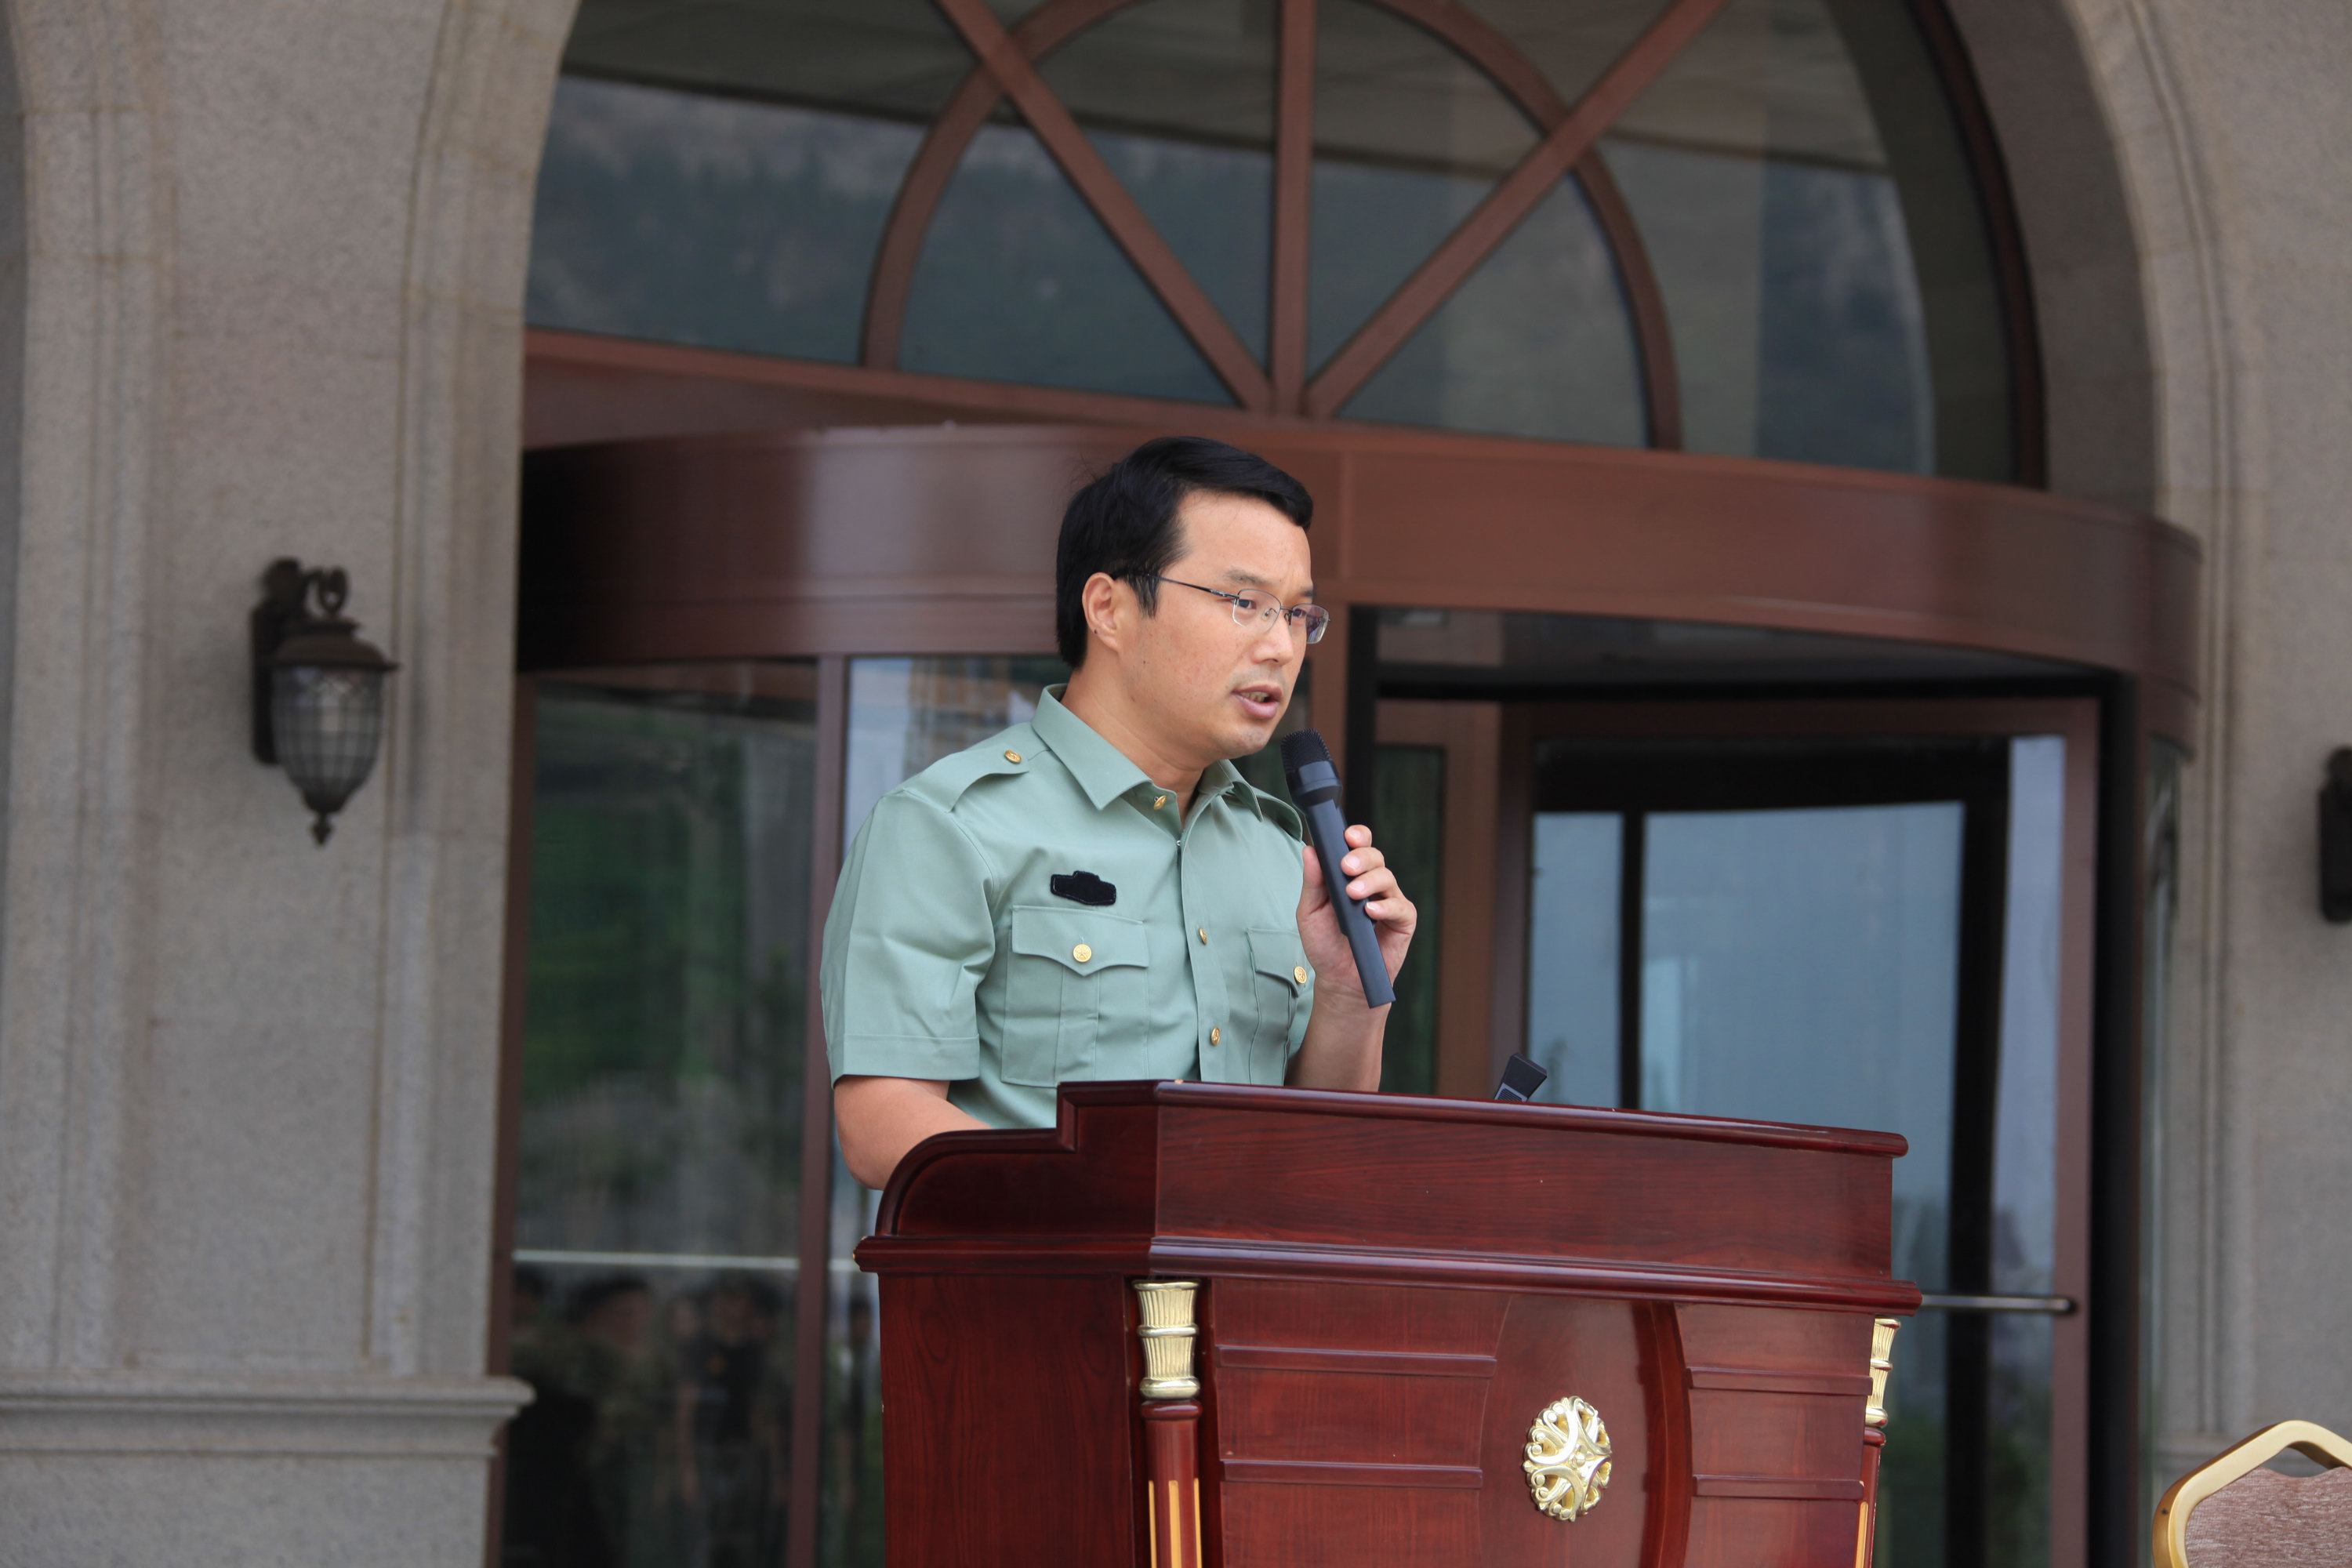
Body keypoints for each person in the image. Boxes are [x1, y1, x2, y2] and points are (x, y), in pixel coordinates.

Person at [821, 435, 1416, 1188]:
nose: (1280, 646)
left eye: (1297, 614)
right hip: (1052, 1265)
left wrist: (1349, 996)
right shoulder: (952, 825)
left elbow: (1317, 1147)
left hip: (1236, 1270)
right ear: (1109, 608)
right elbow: (882, 1123)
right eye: (1244, 603)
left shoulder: (1281, 852)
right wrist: (1117, 1200)